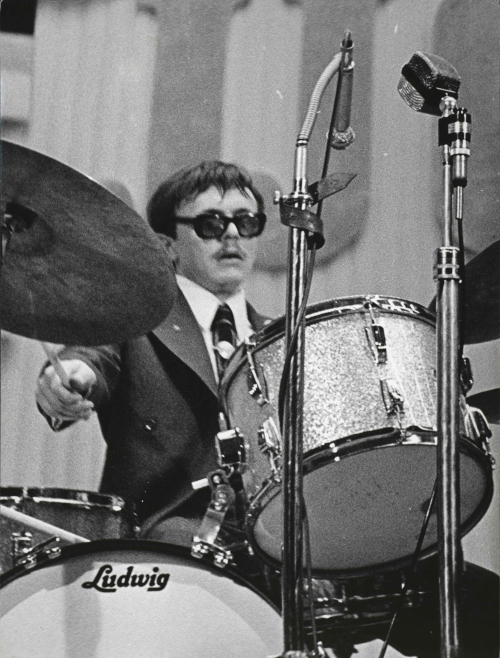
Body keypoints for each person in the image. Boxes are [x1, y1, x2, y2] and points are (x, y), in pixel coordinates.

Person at [35, 160, 271, 544]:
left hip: (270, 542)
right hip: (157, 542)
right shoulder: (135, 318)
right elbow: (91, 359)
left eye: (246, 222)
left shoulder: (280, 339)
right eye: (210, 224)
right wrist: (69, 377)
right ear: (167, 245)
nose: (232, 234)